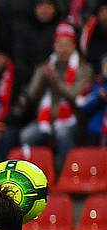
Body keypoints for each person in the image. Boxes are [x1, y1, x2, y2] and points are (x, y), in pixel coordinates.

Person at [12, 23, 91, 165]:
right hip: (46, 119)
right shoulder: (45, 66)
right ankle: (35, 172)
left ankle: (67, 170)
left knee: (63, 133)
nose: (63, 49)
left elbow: (76, 97)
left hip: (73, 119)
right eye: (59, 44)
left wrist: (56, 81)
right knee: (27, 135)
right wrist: (42, 78)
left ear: (74, 46)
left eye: (67, 44)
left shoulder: (84, 69)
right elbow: (32, 96)